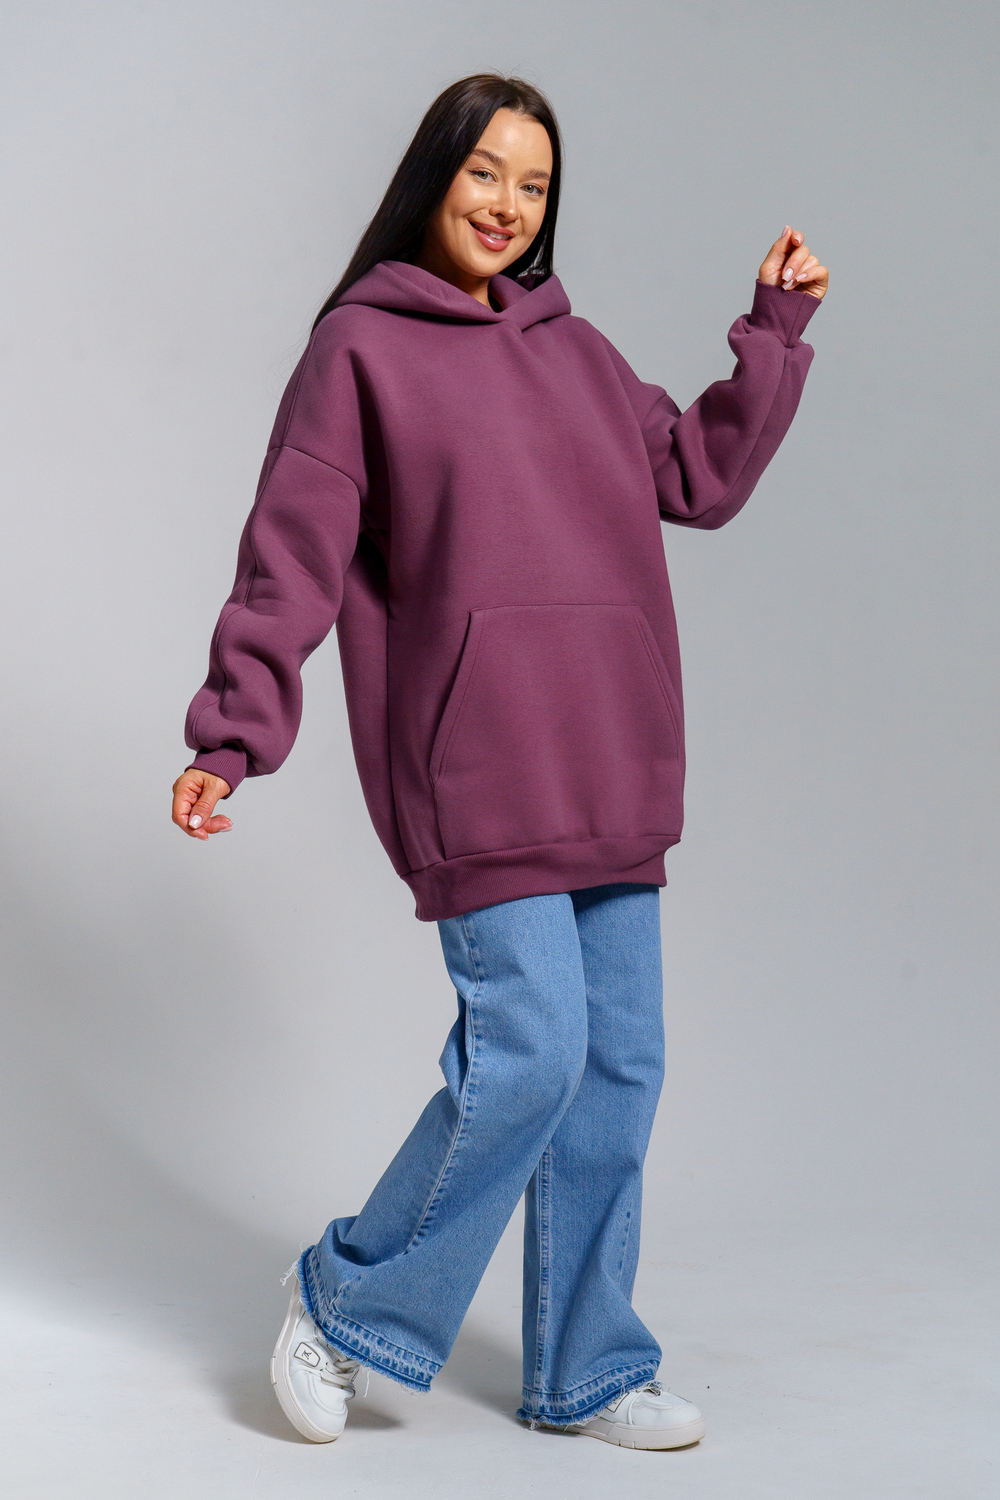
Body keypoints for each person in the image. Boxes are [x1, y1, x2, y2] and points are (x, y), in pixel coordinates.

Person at [171, 73, 827, 1449]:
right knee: (532, 1055)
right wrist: (234, 733)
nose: (508, 204)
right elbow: (292, 550)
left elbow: (700, 477)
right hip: (478, 771)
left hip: (613, 761)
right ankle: (343, 1301)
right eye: (486, 172)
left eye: (534, 184)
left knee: (619, 1069)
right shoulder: (361, 352)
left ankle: (588, 1367)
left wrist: (774, 334)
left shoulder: (578, 355)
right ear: (436, 176)